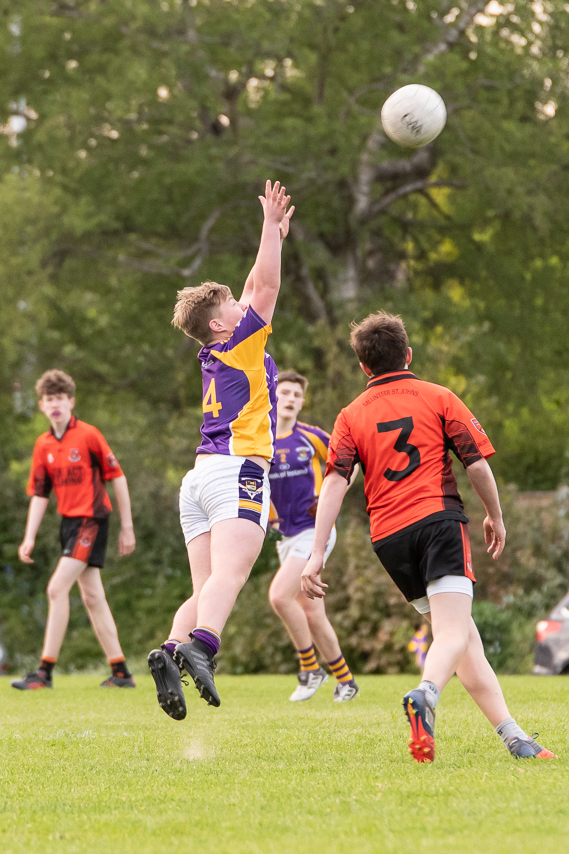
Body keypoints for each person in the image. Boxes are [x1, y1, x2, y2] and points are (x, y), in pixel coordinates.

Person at [301, 311, 555, 762]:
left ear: (364, 366)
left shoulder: (350, 415)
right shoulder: (438, 397)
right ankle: (426, 694)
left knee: (463, 639)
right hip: (438, 522)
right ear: (409, 354)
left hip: (389, 540)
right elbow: (475, 462)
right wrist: (495, 515)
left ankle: (516, 738)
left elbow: (335, 482)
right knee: (454, 633)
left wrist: (316, 552)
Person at [147, 180, 294, 719]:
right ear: (218, 323)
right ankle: (201, 647)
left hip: (199, 480)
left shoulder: (219, 351)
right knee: (232, 575)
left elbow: (255, 281)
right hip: (237, 471)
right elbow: (268, 286)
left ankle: (169, 650)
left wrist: (275, 235)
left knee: (208, 583)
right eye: (232, 302)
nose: (242, 299)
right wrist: (267, 228)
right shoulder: (239, 343)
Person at [13, 369, 136, 690]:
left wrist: (128, 527)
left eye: (60, 399)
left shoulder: (88, 435)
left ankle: (44, 671)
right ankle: (121, 671)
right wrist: (28, 537)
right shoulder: (43, 445)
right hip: (69, 524)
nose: (55, 405)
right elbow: (40, 494)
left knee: (56, 589)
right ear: (41, 405)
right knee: (93, 596)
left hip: (91, 521)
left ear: (71, 401)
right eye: (48, 399)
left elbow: (117, 477)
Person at [268, 370, 358, 702]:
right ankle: (346, 681)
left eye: (295, 394)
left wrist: (333, 497)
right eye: (284, 392)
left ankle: (310, 670)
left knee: (279, 596)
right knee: (311, 612)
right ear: (271, 395)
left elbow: (351, 463)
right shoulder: (260, 439)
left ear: (303, 402)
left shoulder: (312, 437)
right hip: (286, 536)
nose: (289, 398)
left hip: (314, 532)